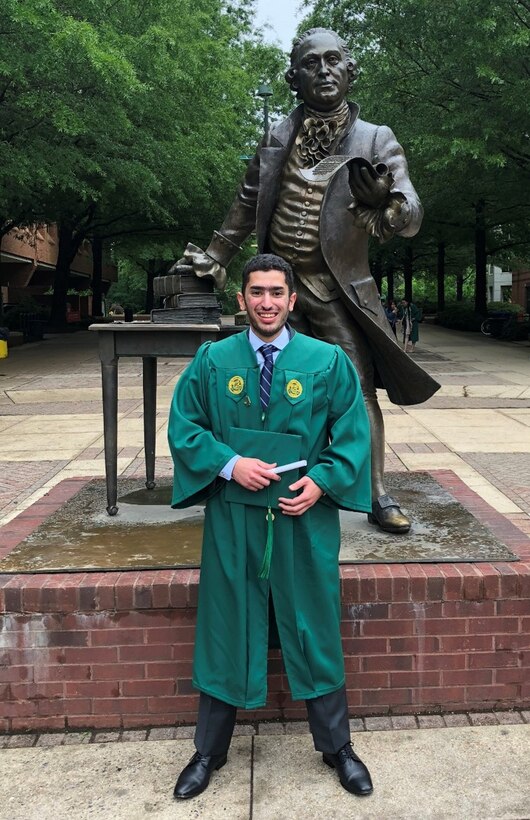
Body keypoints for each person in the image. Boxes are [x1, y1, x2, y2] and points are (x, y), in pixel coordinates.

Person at [174, 27, 439, 535]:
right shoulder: (277, 134)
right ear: (294, 78)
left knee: (358, 387)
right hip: (276, 289)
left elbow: (412, 214)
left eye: (334, 60)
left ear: (351, 71)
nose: (324, 69)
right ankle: (264, 478)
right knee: (258, 390)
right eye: (312, 63)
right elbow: (249, 199)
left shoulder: (376, 138)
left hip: (335, 287)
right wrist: (216, 254)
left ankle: (374, 491)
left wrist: (388, 201)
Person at [168, 254, 374, 800]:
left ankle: (338, 747)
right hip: (235, 522)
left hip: (302, 519)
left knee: (314, 623)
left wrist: (324, 482)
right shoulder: (214, 360)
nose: (266, 302)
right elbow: (185, 425)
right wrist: (231, 463)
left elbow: (352, 433)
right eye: (256, 292)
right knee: (226, 623)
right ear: (242, 299)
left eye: (276, 293)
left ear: (292, 300)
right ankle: (207, 751)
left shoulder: (326, 361)